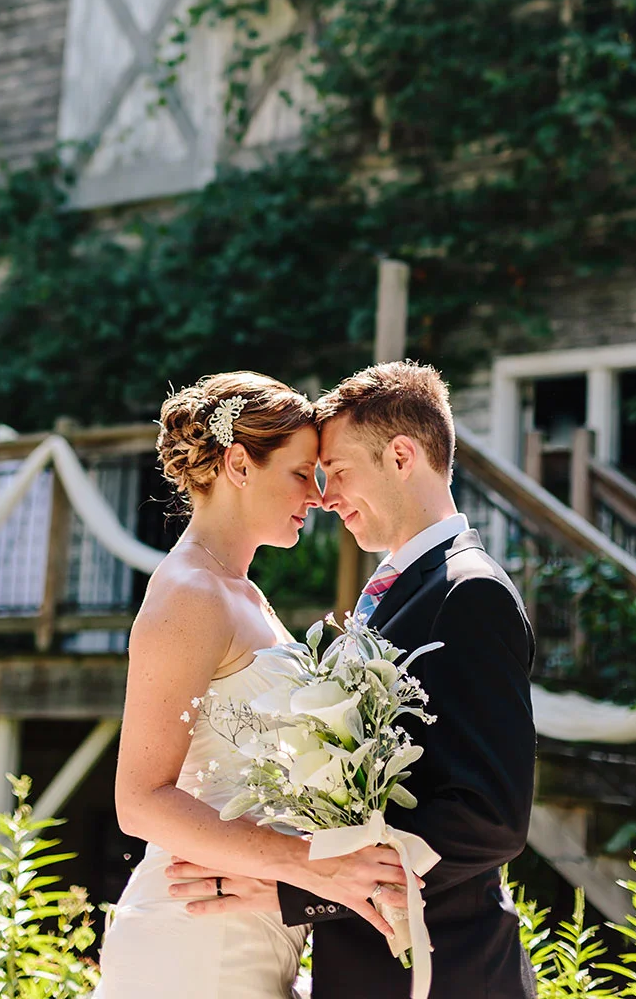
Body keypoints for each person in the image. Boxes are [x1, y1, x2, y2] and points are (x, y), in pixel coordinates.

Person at [168, 360, 538, 999]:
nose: (325, 495)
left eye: (337, 471)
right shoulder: (399, 592)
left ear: (401, 456)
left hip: (446, 972)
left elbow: (488, 820)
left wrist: (297, 885)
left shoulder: (468, 592)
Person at [97, 370, 411, 999]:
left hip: (255, 927)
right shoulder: (189, 594)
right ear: (239, 465)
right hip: (194, 942)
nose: (319, 496)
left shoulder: (243, 594)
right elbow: (140, 801)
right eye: (300, 473)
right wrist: (315, 867)